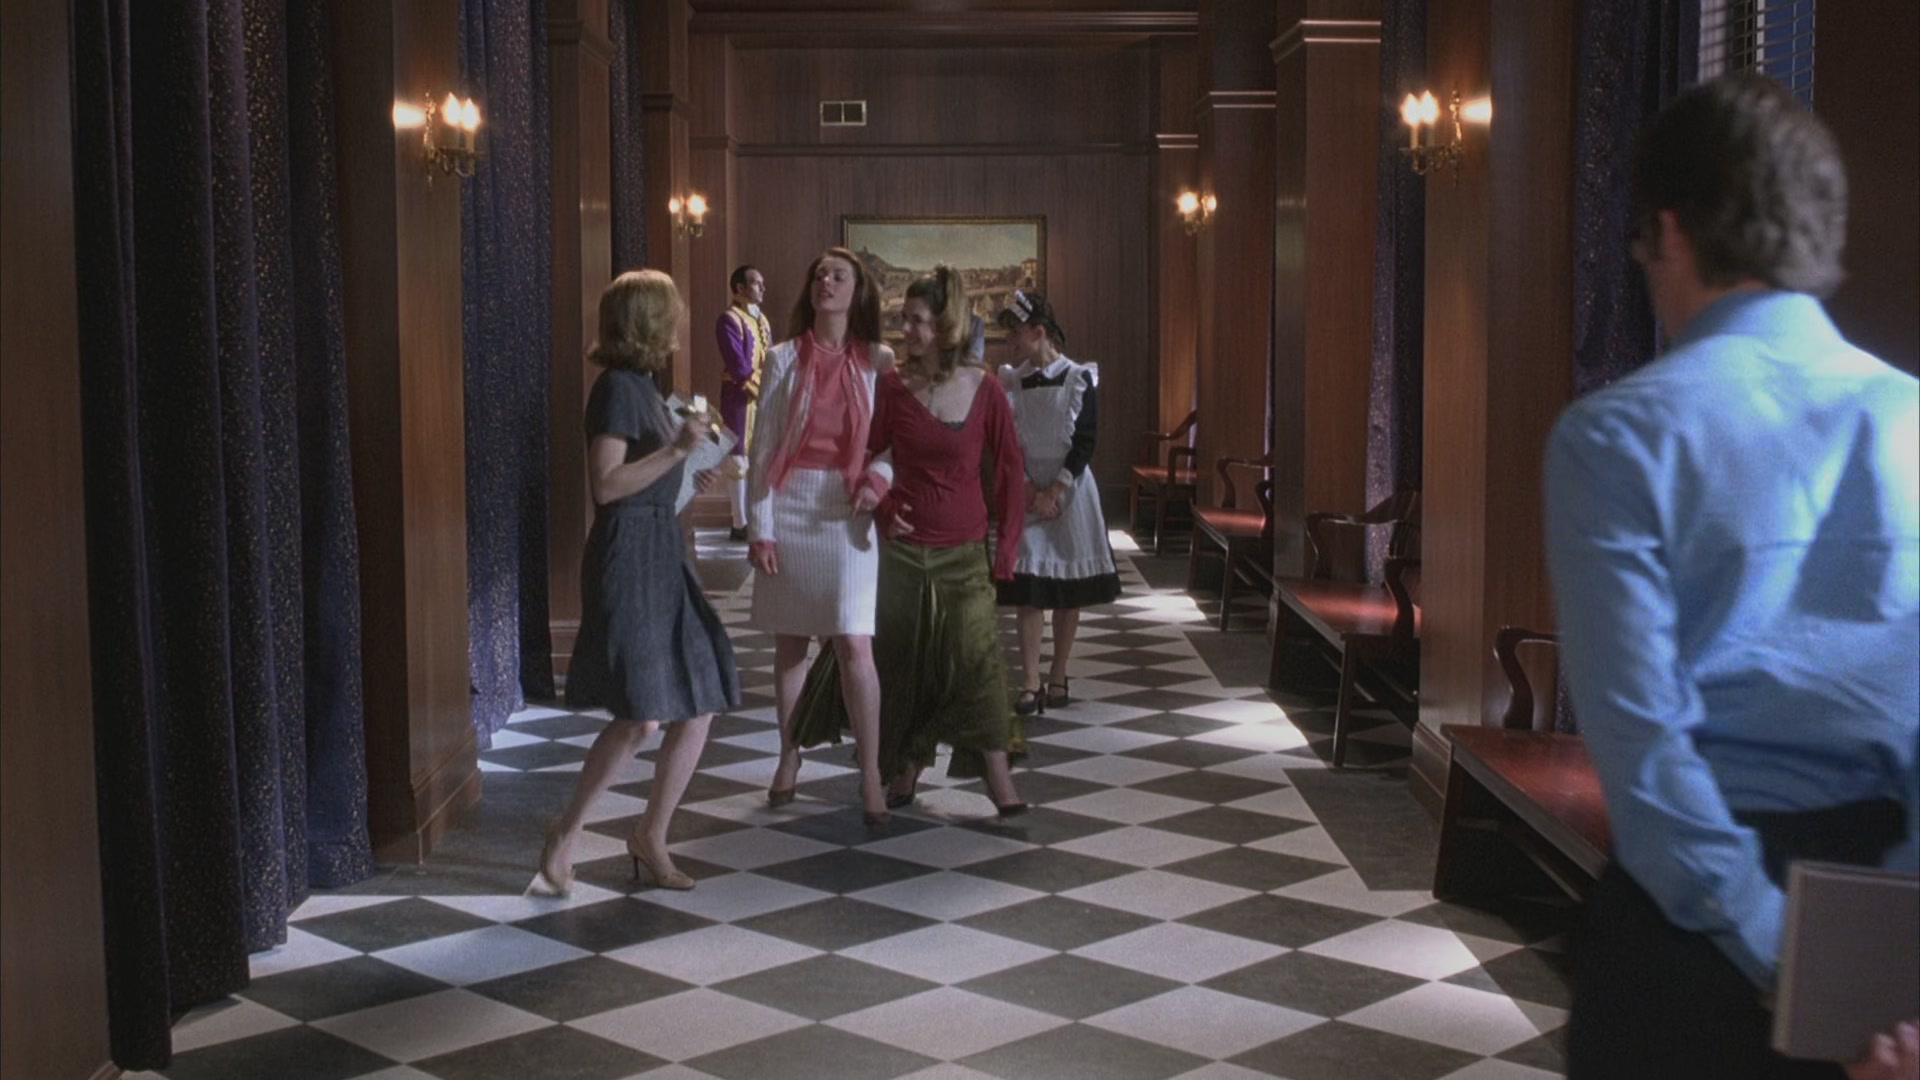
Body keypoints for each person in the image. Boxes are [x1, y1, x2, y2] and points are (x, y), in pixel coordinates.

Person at [1543, 74, 1918, 1080]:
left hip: (1688, 943)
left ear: (1668, 231)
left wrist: (1778, 947)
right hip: (1885, 924)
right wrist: (1884, 939)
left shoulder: (1617, 437)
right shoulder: (1913, 420)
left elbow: (1645, 747)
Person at [790, 267, 1031, 817]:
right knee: (902, 665)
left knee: (977, 662)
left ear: (946, 326)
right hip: (899, 551)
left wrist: (1008, 550)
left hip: (964, 550)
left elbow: (1010, 470)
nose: (907, 330)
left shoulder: (986, 388)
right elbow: (870, 458)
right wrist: (884, 508)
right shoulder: (893, 388)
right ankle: (903, 768)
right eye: (904, 319)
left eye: (918, 321)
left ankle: (999, 779)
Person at [539, 270, 738, 895]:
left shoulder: (646, 388)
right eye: (670, 313)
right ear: (647, 321)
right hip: (628, 558)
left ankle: (651, 834)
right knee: (639, 717)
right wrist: (676, 452)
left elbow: (643, 480)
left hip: (660, 549)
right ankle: (565, 833)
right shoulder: (619, 389)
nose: (679, 324)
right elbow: (606, 486)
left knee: (700, 698)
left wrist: (687, 474)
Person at [747, 248, 897, 824]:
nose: (825, 282)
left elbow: (895, 440)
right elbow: (764, 446)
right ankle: (788, 756)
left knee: (855, 643)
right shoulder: (783, 358)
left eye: (838, 275)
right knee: (791, 643)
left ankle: (871, 775)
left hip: (848, 507)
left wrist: (880, 480)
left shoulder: (877, 360)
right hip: (790, 502)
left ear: (858, 291)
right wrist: (760, 527)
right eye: (818, 275)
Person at [994, 290, 1121, 714]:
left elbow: (1085, 440)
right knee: (1029, 585)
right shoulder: (1012, 381)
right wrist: (1030, 488)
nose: (1010, 344)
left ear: (1039, 332)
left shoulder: (1078, 377)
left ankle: (1059, 672)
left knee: (1068, 587)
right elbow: (1007, 442)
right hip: (1029, 490)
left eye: (1016, 334)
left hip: (1071, 489)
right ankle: (1030, 680)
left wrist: (1056, 490)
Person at [717, 265, 773, 542]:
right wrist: (761, 389)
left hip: (762, 394)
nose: (762, 288)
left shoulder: (762, 319)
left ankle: (754, 516)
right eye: (756, 283)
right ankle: (739, 522)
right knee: (737, 457)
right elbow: (738, 364)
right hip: (738, 395)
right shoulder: (729, 319)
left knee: (758, 455)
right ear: (740, 288)